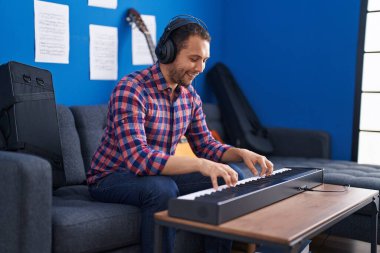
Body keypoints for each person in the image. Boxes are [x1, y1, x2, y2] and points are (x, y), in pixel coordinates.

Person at [87, 15, 274, 253]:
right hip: (112, 177)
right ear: (168, 52)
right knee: (162, 189)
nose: (200, 68)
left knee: (231, 177)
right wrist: (200, 165)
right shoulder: (132, 89)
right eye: (194, 59)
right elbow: (138, 159)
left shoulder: (190, 96)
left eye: (204, 60)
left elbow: (205, 145)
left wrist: (240, 152)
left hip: (156, 174)